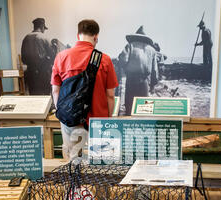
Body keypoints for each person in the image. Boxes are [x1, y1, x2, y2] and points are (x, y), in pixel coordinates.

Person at [51, 19, 118, 159]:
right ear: (96, 37)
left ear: (78, 35)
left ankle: (74, 180)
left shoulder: (61, 57)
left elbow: (56, 91)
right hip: (98, 120)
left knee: (73, 161)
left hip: (70, 120)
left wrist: (64, 114)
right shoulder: (104, 60)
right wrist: (108, 118)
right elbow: (110, 95)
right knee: (101, 162)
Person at [118, 26, 158, 115]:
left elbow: (122, 60)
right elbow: (154, 71)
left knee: (129, 107)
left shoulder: (130, 46)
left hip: (131, 81)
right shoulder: (152, 50)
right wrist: (152, 86)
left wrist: (125, 69)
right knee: (144, 109)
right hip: (144, 82)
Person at [21, 18, 55, 95]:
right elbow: (52, 57)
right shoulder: (44, 38)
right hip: (44, 73)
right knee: (46, 97)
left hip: (31, 73)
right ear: (42, 26)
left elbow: (23, 59)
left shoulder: (26, 38)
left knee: (34, 97)